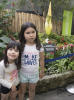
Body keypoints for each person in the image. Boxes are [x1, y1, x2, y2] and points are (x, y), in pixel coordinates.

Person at [18, 22, 45, 100]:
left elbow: (42, 59)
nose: (31, 35)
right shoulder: (21, 45)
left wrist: (42, 71)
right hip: (23, 73)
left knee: (32, 90)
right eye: (28, 33)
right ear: (23, 34)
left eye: (33, 32)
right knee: (22, 90)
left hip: (34, 74)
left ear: (36, 32)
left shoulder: (39, 46)